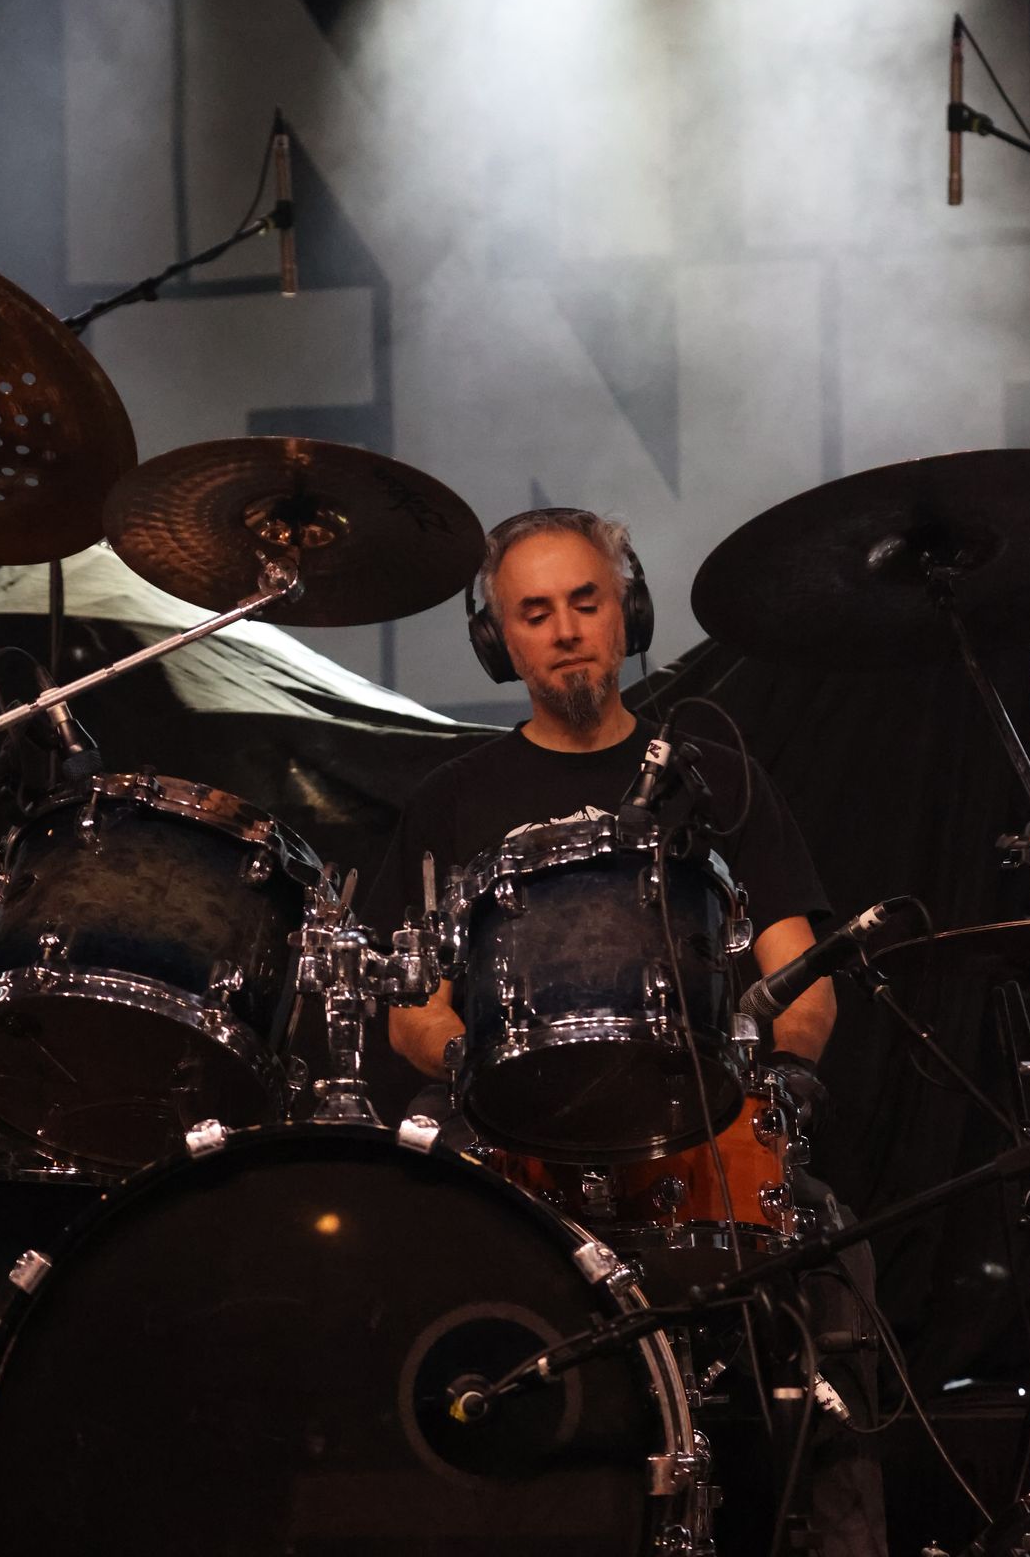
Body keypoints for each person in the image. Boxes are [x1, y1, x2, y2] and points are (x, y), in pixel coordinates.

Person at [362, 507, 885, 1557]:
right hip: (510, 1137)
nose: (564, 630)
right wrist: (475, 1071)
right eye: (534, 612)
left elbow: (804, 981)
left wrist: (774, 1078)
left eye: (584, 601)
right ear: (497, 639)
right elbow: (411, 1009)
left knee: (835, 1254)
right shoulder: (452, 800)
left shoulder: (715, 774)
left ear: (626, 610)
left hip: (696, 1125)